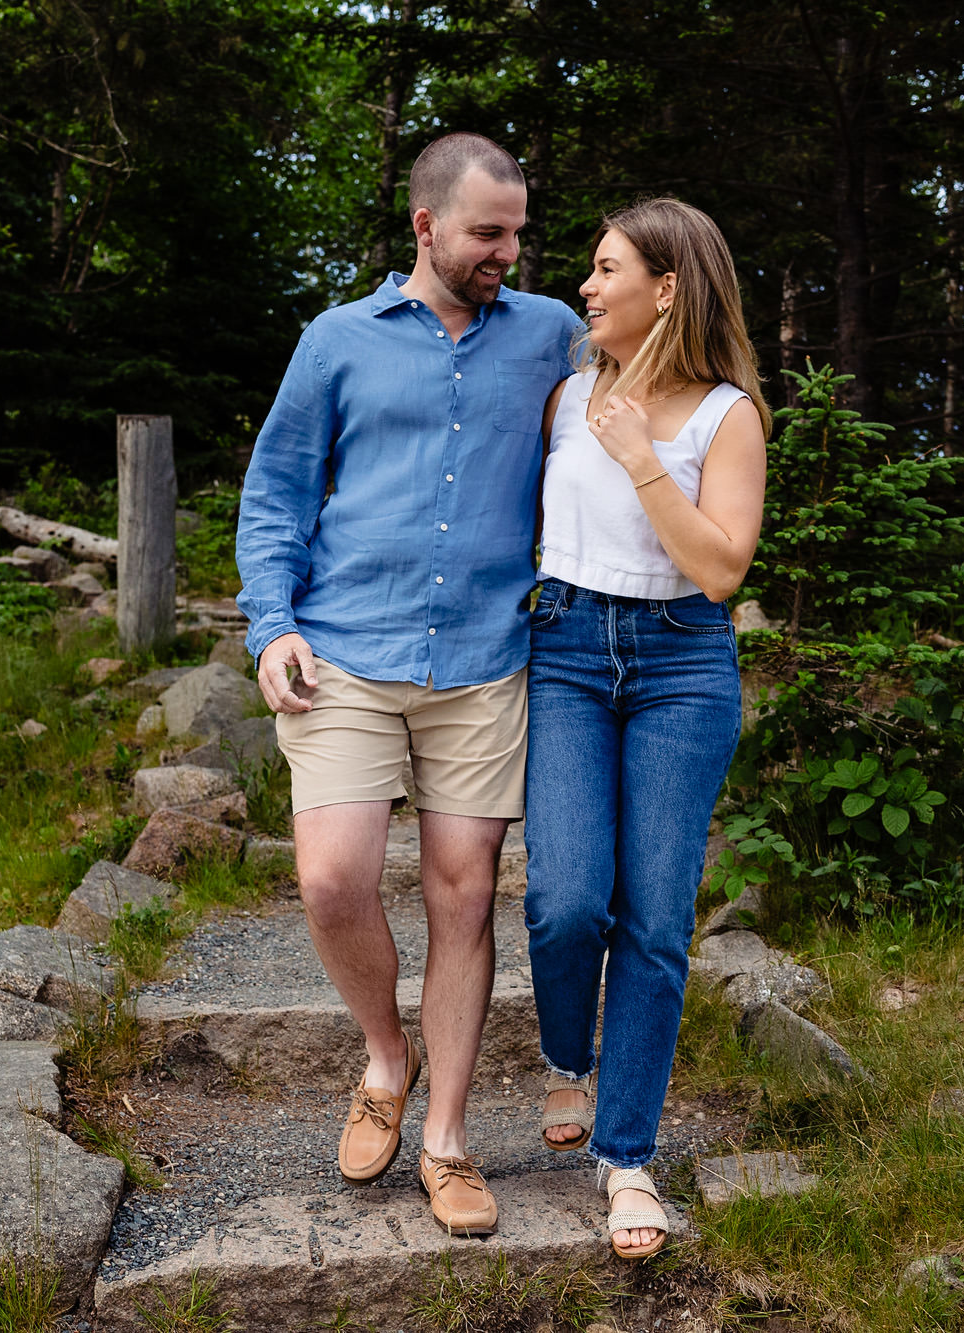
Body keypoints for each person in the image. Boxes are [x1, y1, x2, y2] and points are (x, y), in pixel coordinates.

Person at [235, 132, 585, 1237]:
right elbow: (275, 495)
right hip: (345, 646)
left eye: (518, 232)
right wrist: (269, 626)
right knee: (334, 878)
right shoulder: (334, 342)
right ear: (425, 227)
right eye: (489, 233)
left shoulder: (551, 337)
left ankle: (443, 1137)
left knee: (463, 891)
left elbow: (621, 434)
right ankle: (384, 1054)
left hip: (483, 658)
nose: (509, 253)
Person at [526, 198, 772, 1259]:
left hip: (680, 664)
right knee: (567, 898)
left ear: (665, 287)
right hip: (566, 651)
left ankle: (625, 1158)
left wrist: (637, 454)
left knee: (657, 922)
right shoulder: (566, 392)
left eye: (604, 268)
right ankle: (563, 1056)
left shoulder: (728, 415)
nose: (586, 287)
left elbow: (720, 569)